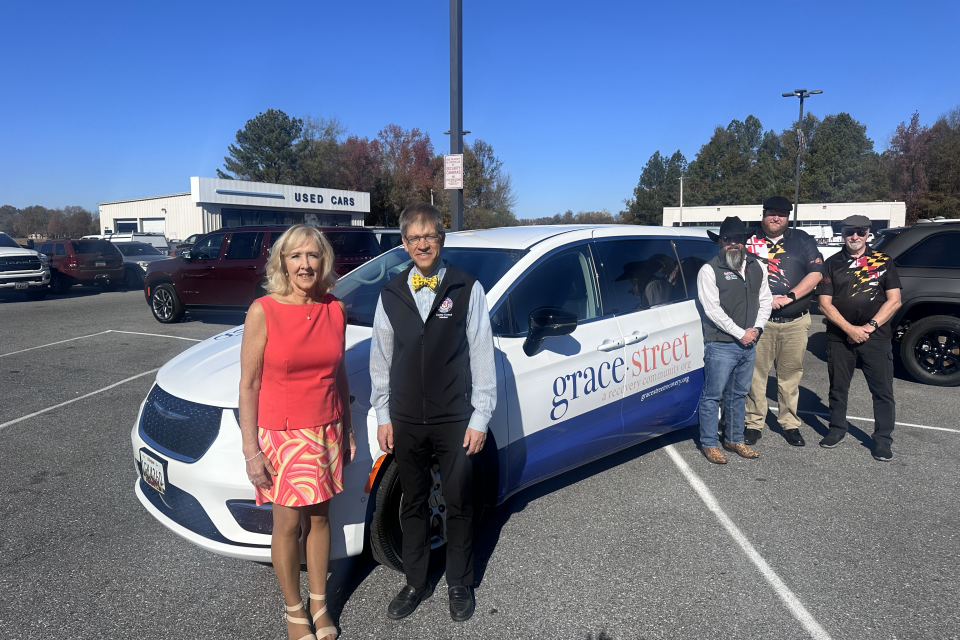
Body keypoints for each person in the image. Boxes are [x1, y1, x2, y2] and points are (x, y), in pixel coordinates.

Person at [370, 202, 496, 623]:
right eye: (415, 237)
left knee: (459, 503)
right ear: (404, 245)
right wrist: (383, 415)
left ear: (441, 240)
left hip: (454, 419)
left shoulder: (466, 288)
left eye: (430, 236)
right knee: (413, 505)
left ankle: (460, 583)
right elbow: (380, 359)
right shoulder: (390, 294)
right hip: (405, 420)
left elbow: (481, 356)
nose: (423, 243)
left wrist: (480, 417)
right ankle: (415, 581)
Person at [239, 224, 357, 640]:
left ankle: (320, 603)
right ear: (282, 263)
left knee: (321, 522)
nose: (305, 264)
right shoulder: (263, 311)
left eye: (313, 256)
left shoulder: (335, 309)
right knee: (287, 526)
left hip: (325, 430)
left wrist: (347, 429)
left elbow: (339, 372)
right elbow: (249, 385)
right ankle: (294, 611)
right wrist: (251, 450)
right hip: (282, 437)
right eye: (296, 256)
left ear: (323, 262)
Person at [817, 214, 902, 461]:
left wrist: (868, 327)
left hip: (876, 337)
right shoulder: (831, 264)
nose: (854, 237)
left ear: (868, 234)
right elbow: (824, 304)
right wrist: (849, 329)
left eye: (860, 232)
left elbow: (894, 300)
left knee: (883, 391)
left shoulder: (884, 261)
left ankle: (883, 440)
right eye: (849, 232)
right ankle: (836, 429)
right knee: (838, 388)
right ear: (842, 234)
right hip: (839, 337)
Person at [743, 195, 825, 447]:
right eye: (771, 213)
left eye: (781, 213)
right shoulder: (748, 239)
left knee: (790, 376)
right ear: (763, 213)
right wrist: (767, 300)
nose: (775, 217)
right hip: (760, 322)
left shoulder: (802, 240)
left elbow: (816, 274)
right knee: (755, 375)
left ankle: (789, 423)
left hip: (795, 321)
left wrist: (788, 297)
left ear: (788, 217)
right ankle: (754, 423)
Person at [696, 216, 772, 464]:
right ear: (720, 241)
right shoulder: (709, 270)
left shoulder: (757, 266)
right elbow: (712, 310)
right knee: (713, 395)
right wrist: (741, 332)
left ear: (745, 241)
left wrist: (757, 329)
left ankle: (734, 439)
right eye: (728, 239)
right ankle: (709, 443)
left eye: (738, 239)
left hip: (750, 342)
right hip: (721, 343)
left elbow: (766, 301)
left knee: (738, 394)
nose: (733, 244)